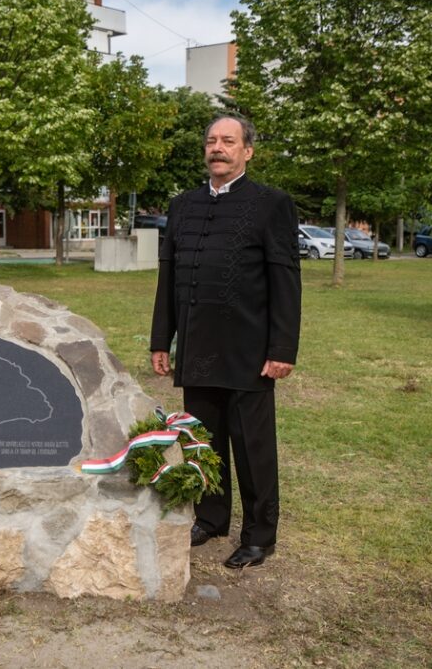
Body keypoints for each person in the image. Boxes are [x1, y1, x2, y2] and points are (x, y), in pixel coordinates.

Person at [149, 115, 301, 569]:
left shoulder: (273, 205)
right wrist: (163, 339)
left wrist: (282, 350)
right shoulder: (182, 205)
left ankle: (259, 535)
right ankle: (211, 518)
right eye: (212, 141)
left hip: (250, 350)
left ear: (247, 151)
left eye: (228, 141)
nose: (218, 148)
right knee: (203, 443)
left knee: (253, 451)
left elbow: (286, 281)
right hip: (197, 347)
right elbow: (169, 277)